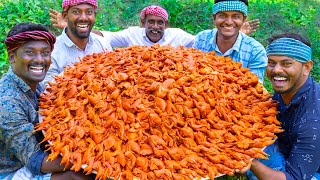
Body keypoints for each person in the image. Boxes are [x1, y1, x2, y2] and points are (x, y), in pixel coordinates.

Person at [0, 22, 90, 180]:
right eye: (30, 53)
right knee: (76, 176)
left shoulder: (33, 84)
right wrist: (93, 159)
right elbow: (36, 162)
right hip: (12, 170)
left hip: (34, 152)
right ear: (12, 57)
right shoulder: (7, 102)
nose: (40, 60)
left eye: (45, 53)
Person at [243, 33, 320, 180]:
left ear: (307, 67)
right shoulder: (287, 89)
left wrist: (249, 161)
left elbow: (294, 178)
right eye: (271, 62)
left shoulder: (313, 120)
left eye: (286, 64)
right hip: (286, 149)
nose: (276, 70)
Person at [48, 5, 260, 48]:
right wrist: (73, 25)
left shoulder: (177, 36)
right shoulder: (131, 34)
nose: (155, 27)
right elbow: (104, 34)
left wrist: (233, 32)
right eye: (151, 22)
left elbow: (205, 41)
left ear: (166, 25)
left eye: (160, 23)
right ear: (143, 23)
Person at [193, 0, 267, 82]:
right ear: (214, 18)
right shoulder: (202, 39)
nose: (229, 22)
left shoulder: (255, 51)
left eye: (236, 17)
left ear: (244, 19)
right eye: (222, 16)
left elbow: (255, 87)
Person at [42, 0, 112, 86]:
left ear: (95, 16)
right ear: (65, 16)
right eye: (76, 12)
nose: (83, 18)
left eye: (89, 12)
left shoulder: (103, 43)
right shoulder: (51, 51)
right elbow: (47, 90)